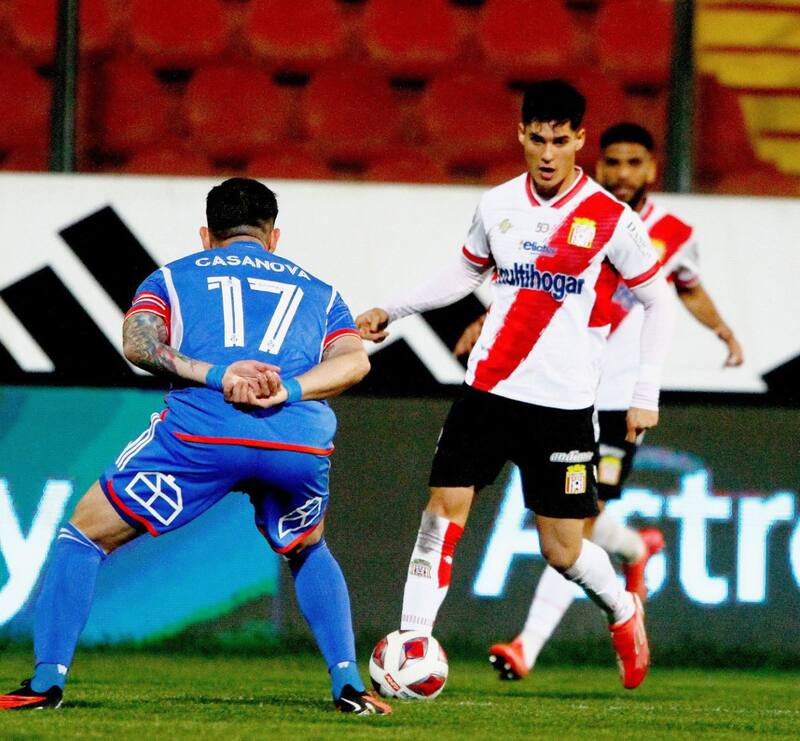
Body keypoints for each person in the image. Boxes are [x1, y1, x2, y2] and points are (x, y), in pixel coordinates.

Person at [0, 178, 391, 716]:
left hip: (202, 436)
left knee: (83, 535)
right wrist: (288, 388)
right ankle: (349, 684)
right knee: (307, 548)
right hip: (296, 441)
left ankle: (46, 683)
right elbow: (356, 362)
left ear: (207, 235)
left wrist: (216, 373)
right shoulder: (321, 291)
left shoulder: (172, 276)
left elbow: (140, 345)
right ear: (273, 237)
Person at [357, 81, 676, 690]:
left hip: (562, 408)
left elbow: (659, 302)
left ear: (580, 140)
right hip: (488, 391)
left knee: (562, 549)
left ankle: (623, 607)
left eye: (561, 140)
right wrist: (392, 311)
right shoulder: (497, 204)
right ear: (521, 136)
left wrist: (645, 394)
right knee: (440, 516)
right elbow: (463, 273)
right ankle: (414, 645)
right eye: (538, 139)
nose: (549, 152)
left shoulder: (611, 218)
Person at [451, 123, 745, 681]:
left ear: (652, 170)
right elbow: (533, 289)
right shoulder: (570, 217)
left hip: (614, 399)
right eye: (613, 162)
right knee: (580, 516)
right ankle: (636, 547)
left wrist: (724, 332)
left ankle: (526, 647)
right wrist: (487, 317)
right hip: (559, 390)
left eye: (635, 163)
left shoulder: (673, 231)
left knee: (575, 526)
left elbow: (687, 288)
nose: (623, 173)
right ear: (598, 162)